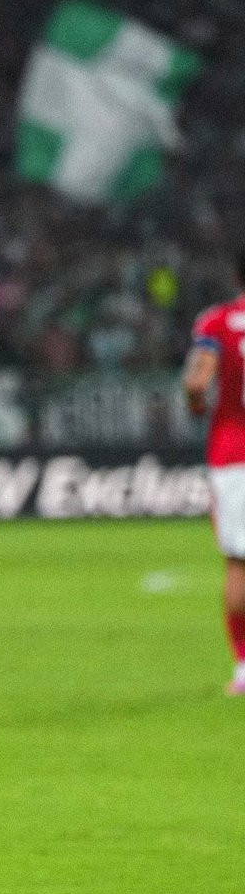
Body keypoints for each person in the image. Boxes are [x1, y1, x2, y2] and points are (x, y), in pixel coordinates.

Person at [185, 253, 245, 696]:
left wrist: (196, 407)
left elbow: (196, 383)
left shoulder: (217, 322)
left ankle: (244, 666)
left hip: (233, 453)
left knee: (238, 563)